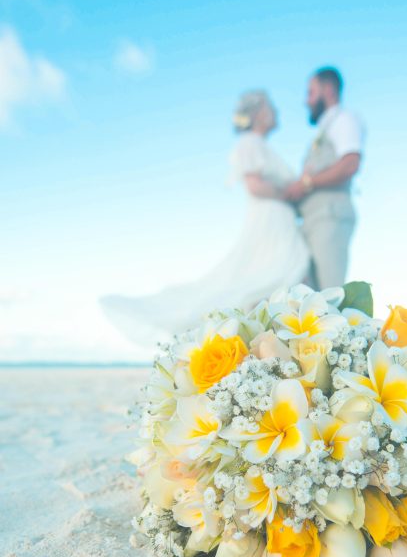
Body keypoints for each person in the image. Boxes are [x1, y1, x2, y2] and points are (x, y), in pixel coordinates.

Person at [101, 91, 310, 347]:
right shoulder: (249, 143)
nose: (276, 111)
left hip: (280, 221)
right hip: (269, 220)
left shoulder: (263, 146)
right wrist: (289, 193)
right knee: (263, 279)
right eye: (270, 107)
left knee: (277, 278)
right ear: (257, 114)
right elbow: (254, 185)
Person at [284, 67, 364, 289]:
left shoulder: (344, 119)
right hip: (312, 221)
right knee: (307, 292)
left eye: (310, 92)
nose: (305, 101)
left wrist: (307, 183)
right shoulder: (325, 129)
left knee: (329, 294)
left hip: (330, 217)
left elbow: (350, 163)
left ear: (328, 90)